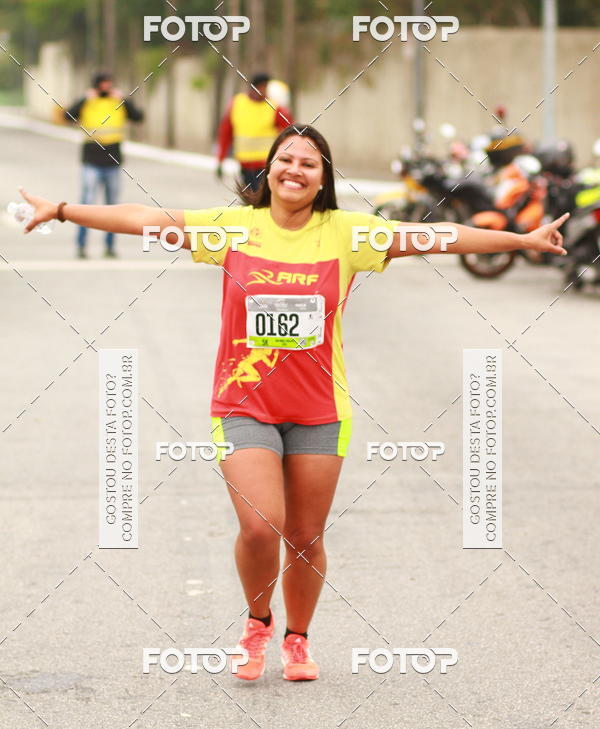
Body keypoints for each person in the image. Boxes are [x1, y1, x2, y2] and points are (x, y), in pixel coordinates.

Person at [18, 125, 568, 682]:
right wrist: (62, 210)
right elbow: (145, 220)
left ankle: (297, 639)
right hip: (242, 404)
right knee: (261, 526)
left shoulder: (349, 234)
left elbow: (439, 237)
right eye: (286, 159)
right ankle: (257, 622)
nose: (295, 170)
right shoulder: (233, 227)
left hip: (319, 411)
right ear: (269, 170)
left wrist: (522, 242)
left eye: (310, 163)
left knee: (305, 536)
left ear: (324, 177)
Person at [64, 71, 144, 259]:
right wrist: (84, 99)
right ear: (96, 85)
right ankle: (81, 246)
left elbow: (138, 117)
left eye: (110, 84)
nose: (107, 88)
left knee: (112, 208)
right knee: (86, 205)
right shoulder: (87, 101)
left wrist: (125, 99)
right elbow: (67, 116)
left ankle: (109, 247)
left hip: (113, 161)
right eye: (103, 84)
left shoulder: (118, 101)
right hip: (91, 160)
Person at [216, 73, 293, 193]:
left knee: (263, 198)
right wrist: (221, 159)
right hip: (245, 164)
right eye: (263, 87)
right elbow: (226, 132)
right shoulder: (237, 103)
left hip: (266, 165)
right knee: (250, 198)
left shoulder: (274, 107)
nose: (265, 91)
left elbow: (290, 131)